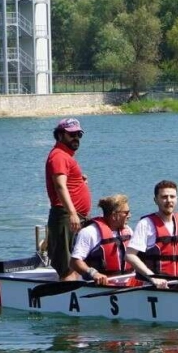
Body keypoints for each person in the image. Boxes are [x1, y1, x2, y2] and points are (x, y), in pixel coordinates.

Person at [44, 117, 91, 279]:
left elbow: (66, 182)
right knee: (68, 266)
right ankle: (65, 300)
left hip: (75, 217)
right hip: (66, 216)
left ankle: (77, 299)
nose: (76, 138)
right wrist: (72, 213)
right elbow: (59, 186)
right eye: (71, 134)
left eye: (79, 134)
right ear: (60, 135)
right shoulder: (58, 156)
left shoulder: (66, 156)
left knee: (77, 261)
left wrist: (80, 181)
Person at [132, 180, 178, 286]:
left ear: (177, 199)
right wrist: (152, 277)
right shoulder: (145, 224)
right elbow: (130, 255)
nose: (169, 200)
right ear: (155, 200)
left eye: (172, 197)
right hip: (155, 286)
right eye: (164, 197)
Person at [69, 194, 138, 286]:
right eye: (126, 212)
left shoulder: (128, 230)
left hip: (128, 285)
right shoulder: (89, 232)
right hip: (101, 286)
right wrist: (94, 274)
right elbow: (75, 262)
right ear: (114, 215)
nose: (130, 215)